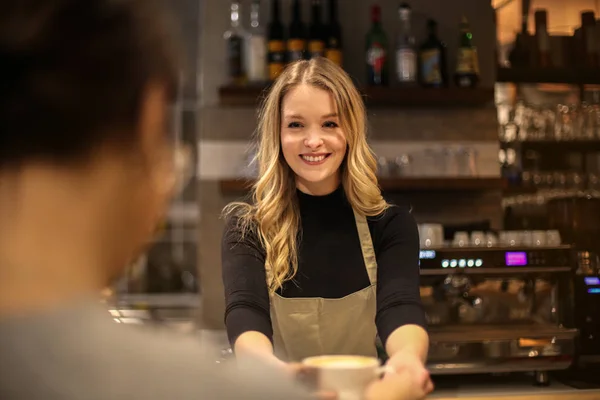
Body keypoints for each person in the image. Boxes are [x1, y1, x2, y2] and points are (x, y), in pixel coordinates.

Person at [221, 57, 434, 399]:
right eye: (296, 125)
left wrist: (407, 361)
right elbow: (245, 312)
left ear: (350, 130)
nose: (313, 141)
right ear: (276, 134)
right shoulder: (248, 228)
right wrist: (273, 375)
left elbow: (400, 304)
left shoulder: (390, 225)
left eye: (329, 124)